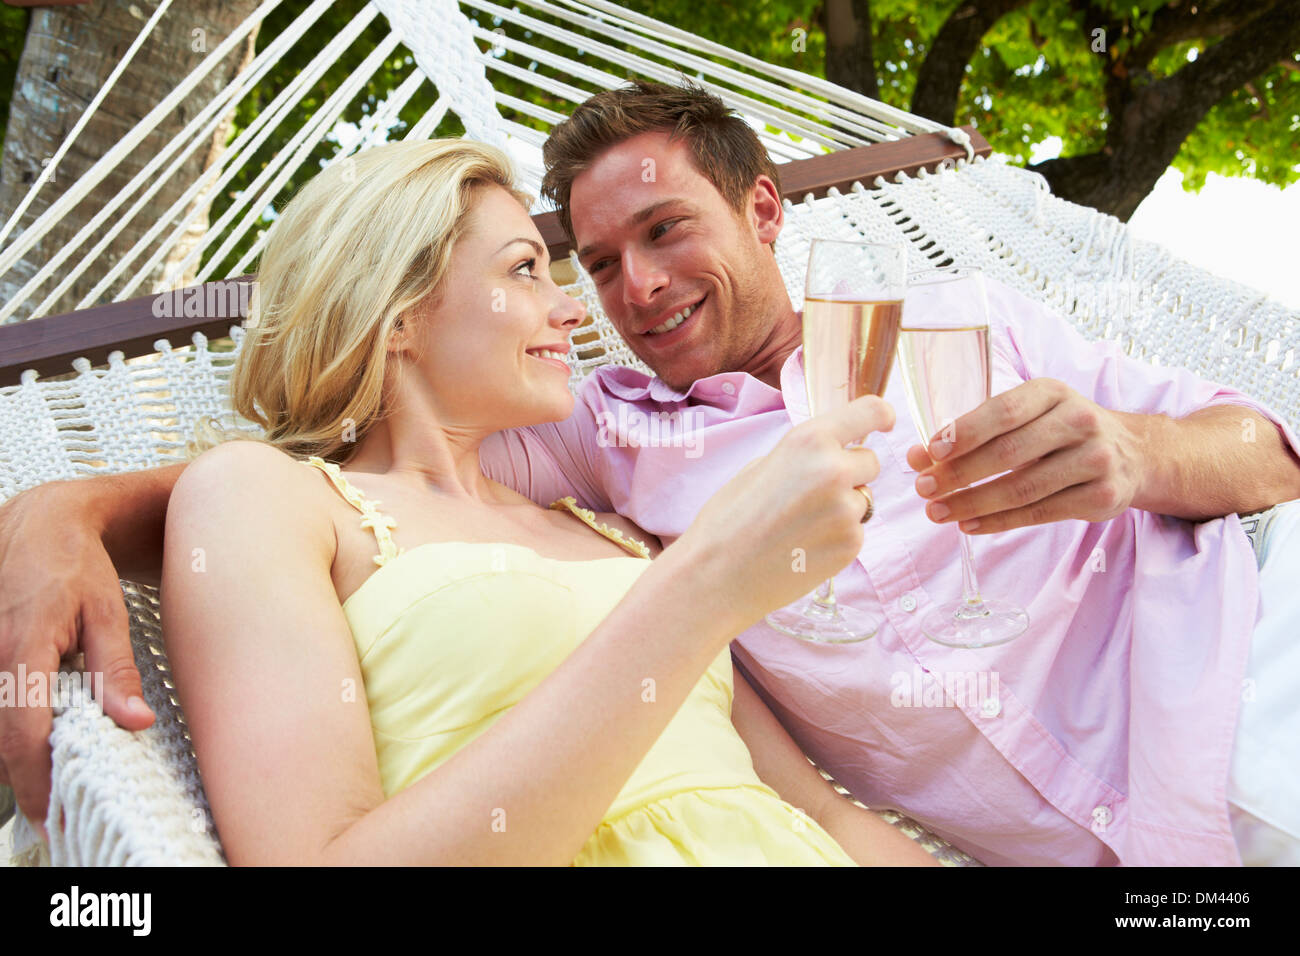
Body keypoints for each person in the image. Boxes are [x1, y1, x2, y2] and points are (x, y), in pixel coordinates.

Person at [3, 79, 1299, 865]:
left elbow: (1267, 450)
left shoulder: (966, 314)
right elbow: (359, 458)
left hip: (1249, 647)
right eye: (588, 260)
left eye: (665, 232)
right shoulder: (602, 441)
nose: (626, 294)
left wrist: (1138, 453)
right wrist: (58, 501)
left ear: (767, 210)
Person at [5, 136, 941, 866]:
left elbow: (816, 812)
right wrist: (701, 590)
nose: (577, 308)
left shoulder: (605, 527)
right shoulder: (266, 498)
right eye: (525, 270)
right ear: (399, 310)